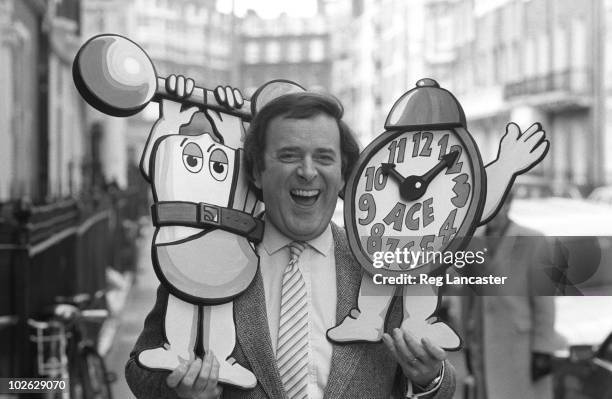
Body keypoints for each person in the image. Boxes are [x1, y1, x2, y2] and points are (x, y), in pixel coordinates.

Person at [126, 91, 457, 398]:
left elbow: (437, 380)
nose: (308, 172)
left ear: (343, 175)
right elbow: (140, 370)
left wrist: (430, 378)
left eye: (324, 157)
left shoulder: (384, 265)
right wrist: (180, 392)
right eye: (289, 155)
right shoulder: (207, 257)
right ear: (257, 171)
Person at [458, 193, 566, 399]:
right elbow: (467, 299)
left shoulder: (533, 240)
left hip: (521, 348)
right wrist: (466, 342)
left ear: (508, 204)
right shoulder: (473, 243)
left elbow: (544, 302)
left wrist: (542, 349)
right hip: (483, 345)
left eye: (498, 204)